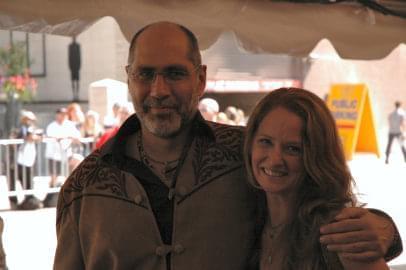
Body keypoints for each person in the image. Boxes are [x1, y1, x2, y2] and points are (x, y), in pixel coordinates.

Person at [54, 21, 401, 270]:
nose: (159, 90)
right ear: (129, 78)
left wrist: (381, 228)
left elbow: (316, 197)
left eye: (175, 73)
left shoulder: (246, 156)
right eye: (145, 74)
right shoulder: (83, 187)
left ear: (201, 78)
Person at [244, 88, 391, 269]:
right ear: (250, 144)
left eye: (293, 149)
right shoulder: (245, 220)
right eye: (265, 141)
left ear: (317, 157)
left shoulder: (339, 234)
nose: (275, 160)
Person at [68, 36, 81, 101]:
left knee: (77, 81)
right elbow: (69, 57)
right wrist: (70, 66)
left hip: (77, 67)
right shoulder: (70, 46)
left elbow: (79, 56)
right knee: (73, 81)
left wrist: (79, 66)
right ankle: (74, 95)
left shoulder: (78, 46)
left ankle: (77, 95)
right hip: (72, 67)